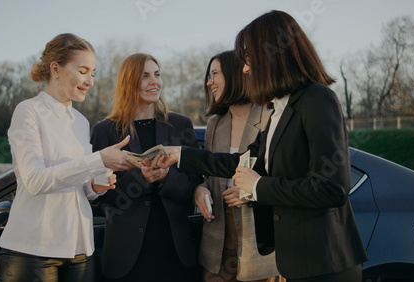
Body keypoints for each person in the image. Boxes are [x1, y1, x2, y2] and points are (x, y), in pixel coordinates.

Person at [157, 10, 368, 282]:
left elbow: (331, 188)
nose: (245, 69)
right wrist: (181, 155)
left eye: (248, 60)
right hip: (296, 263)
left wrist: (258, 187)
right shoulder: (279, 110)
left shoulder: (317, 99)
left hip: (326, 263)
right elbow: (242, 162)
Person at [0, 33, 141, 282]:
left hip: (79, 249)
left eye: (93, 73)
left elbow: (79, 187)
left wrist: (95, 185)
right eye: (83, 71)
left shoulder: (81, 122)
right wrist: (98, 160)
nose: (90, 81)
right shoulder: (28, 112)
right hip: (33, 249)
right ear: (56, 69)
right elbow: (35, 181)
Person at [90, 53, 204, 282]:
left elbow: (195, 184)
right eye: (145, 76)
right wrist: (141, 179)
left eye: (157, 74)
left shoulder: (181, 125)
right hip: (126, 259)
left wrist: (165, 178)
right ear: (128, 82)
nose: (155, 82)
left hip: (176, 252)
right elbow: (100, 198)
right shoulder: (104, 131)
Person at [196, 50, 283, 282]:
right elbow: (208, 173)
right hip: (218, 249)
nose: (209, 81)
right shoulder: (214, 124)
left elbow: (283, 178)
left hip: (260, 251)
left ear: (235, 76)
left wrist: (251, 192)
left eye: (215, 74)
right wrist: (200, 189)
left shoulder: (270, 117)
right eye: (209, 75)